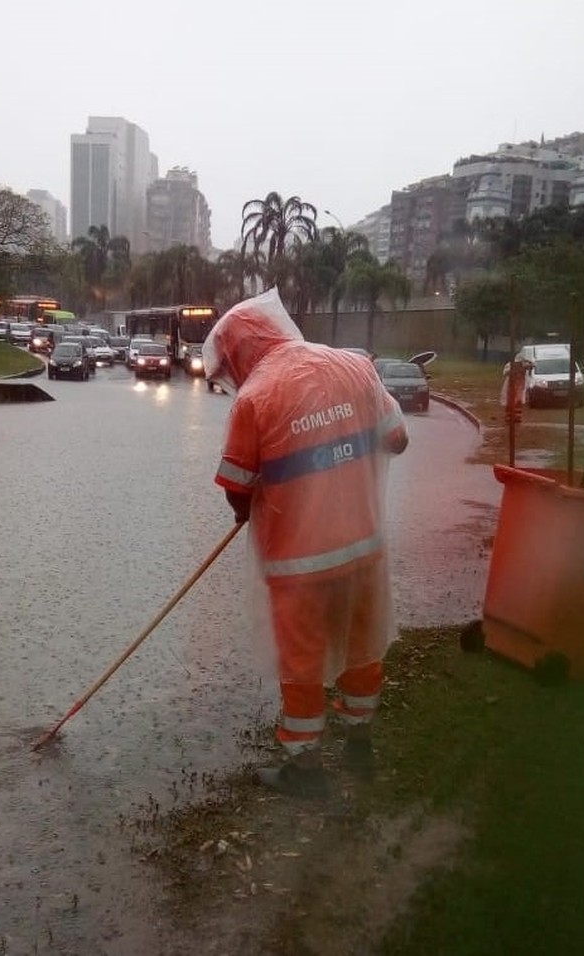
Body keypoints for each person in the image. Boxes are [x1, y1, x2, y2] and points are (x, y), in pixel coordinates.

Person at [202, 288, 408, 798]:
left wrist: (250, 508)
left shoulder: (256, 398)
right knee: (362, 647)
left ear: (239, 355)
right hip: (363, 547)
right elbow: (397, 439)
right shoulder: (355, 367)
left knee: (302, 662)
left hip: (299, 565)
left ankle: (305, 767)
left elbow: (237, 487)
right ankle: (361, 744)